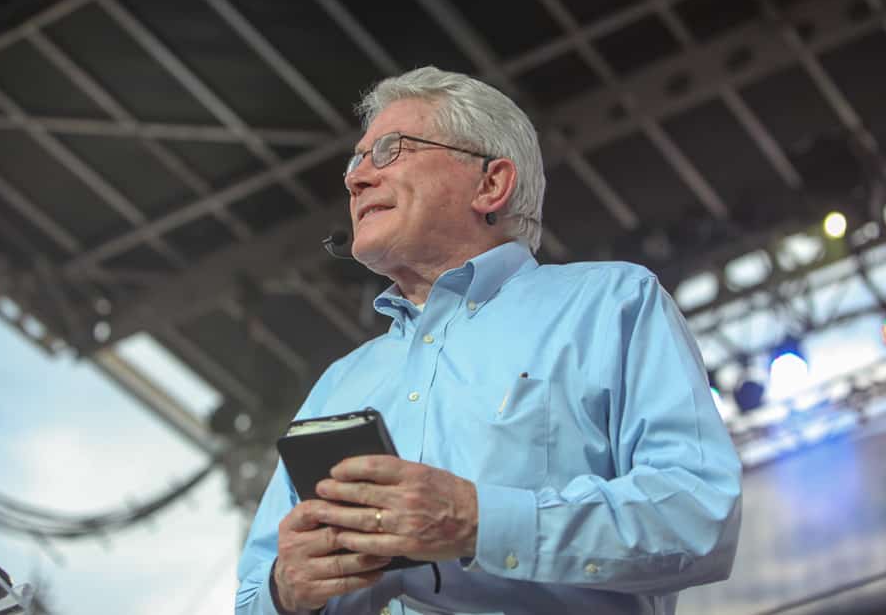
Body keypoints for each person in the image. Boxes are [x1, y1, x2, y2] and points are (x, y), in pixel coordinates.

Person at [236, 66, 742, 615]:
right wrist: (287, 591)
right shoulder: (338, 383)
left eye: (388, 150)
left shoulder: (610, 304)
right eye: (356, 161)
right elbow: (250, 598)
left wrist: (479, 522)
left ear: (490, 184)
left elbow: (698, 515)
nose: (355, 179)